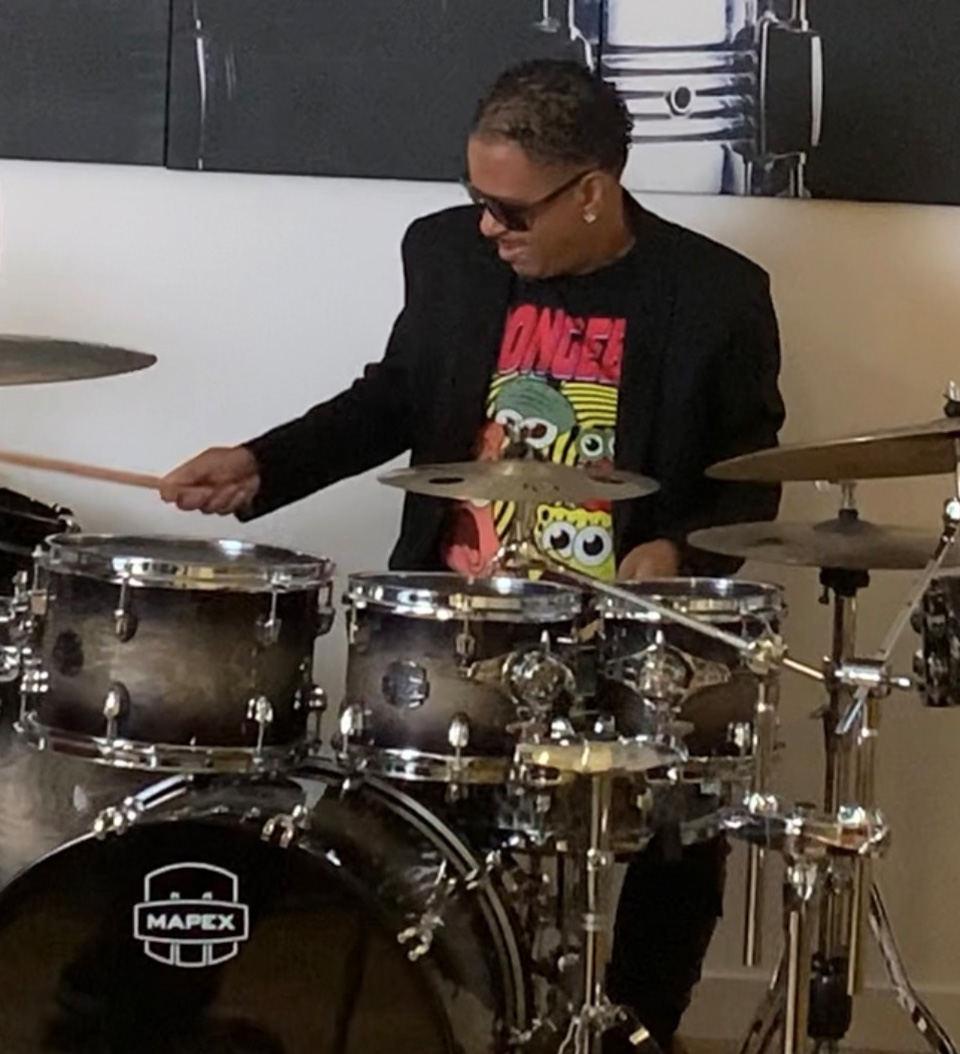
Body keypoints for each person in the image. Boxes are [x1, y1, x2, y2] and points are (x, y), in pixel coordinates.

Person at [160, 59, 785, 1051]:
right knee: (406, 839)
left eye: (512, 211)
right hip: (463, 630)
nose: (489, 227)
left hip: (622, 637)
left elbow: (751, 474)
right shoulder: (447, 254)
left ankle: (636, 1029)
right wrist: (261, 462)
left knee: (682, 825)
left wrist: (674, 545)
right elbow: (395, 398)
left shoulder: (716, 295)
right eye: (477, 200)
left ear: (592, 191)